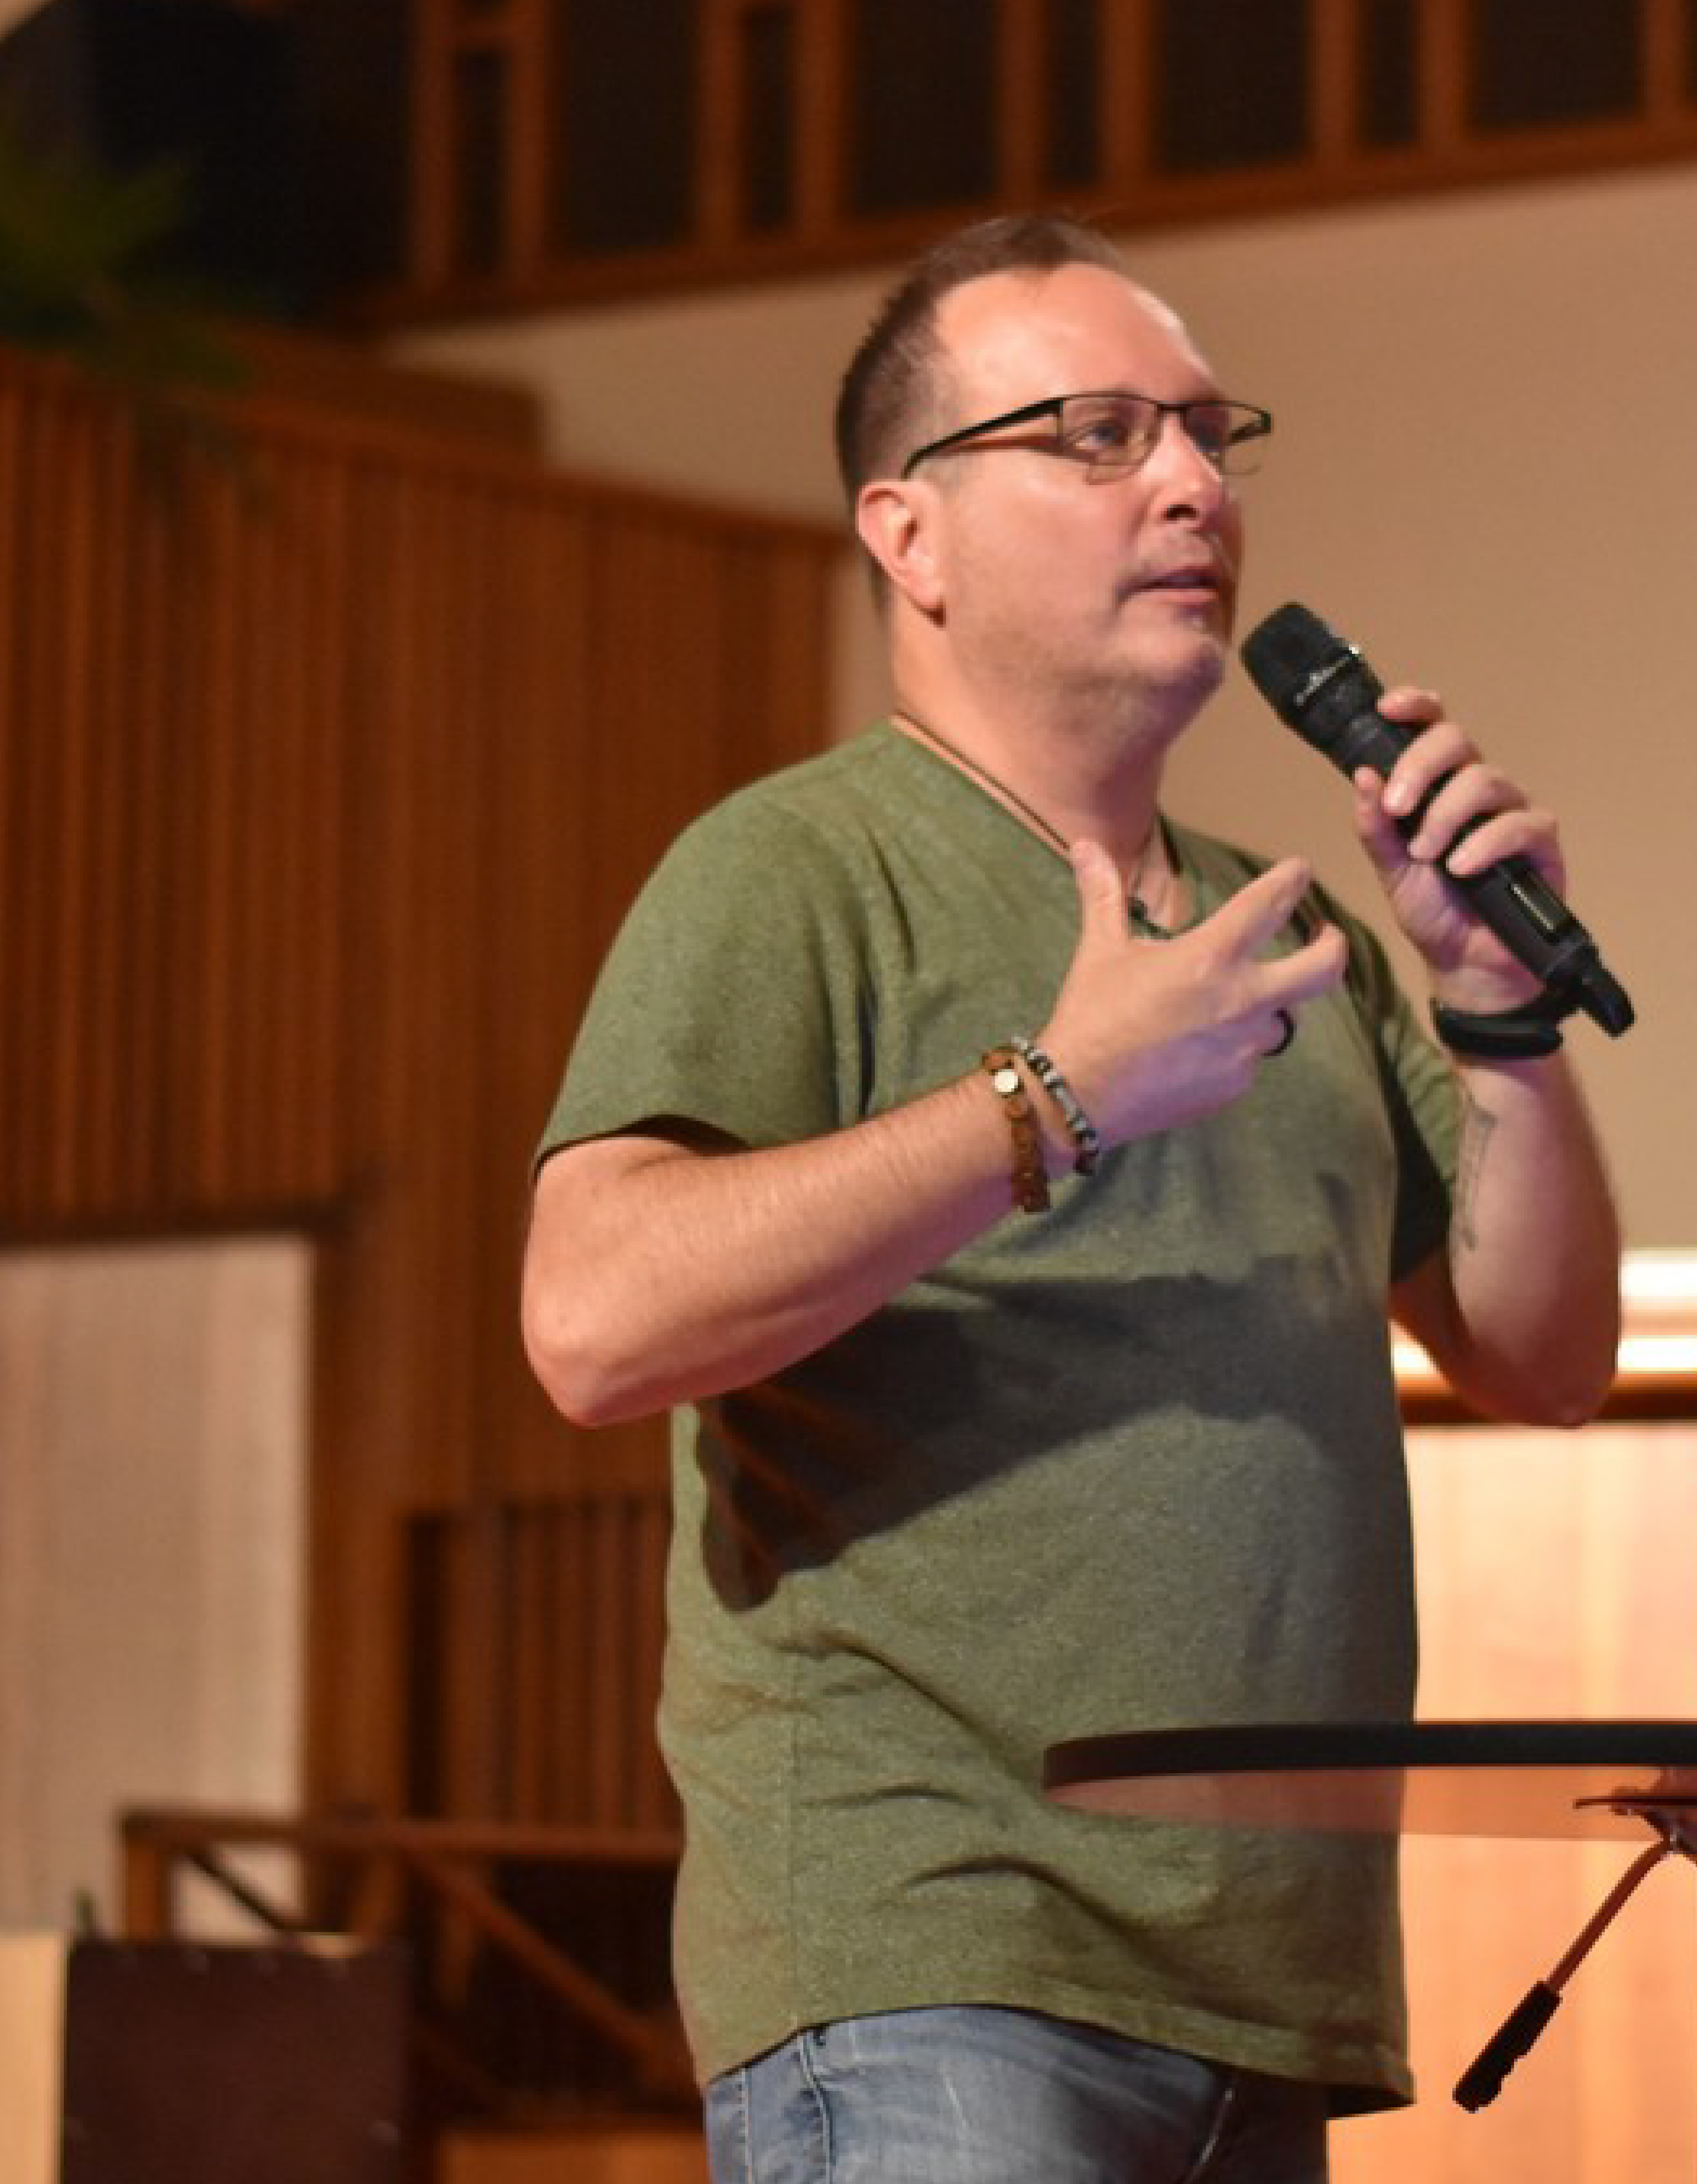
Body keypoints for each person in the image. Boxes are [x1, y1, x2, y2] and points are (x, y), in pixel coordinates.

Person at [520, 214, 1621, 2183]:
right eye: (1097, 435)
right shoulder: (798, 869)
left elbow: (1539, 1360)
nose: (1191, 483)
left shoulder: (1292, 939)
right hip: (931, 1960)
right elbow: (593, 1319)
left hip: (1265, 1998)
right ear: (908, 534)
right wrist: (1053, 1096)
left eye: (1206, 431)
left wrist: (1496, 1021)